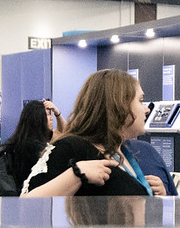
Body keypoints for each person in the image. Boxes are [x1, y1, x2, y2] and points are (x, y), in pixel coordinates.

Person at [22, 70, 166, 196]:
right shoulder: (71, 147)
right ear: (119, 105)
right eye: (140, 101)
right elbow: (26, 204)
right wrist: (76, 175)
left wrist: (155, 197)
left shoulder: (123, 150)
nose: (146, 109)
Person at [0, 100, 52, 196]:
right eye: (47, 115)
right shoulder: (44, 150)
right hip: (36, 202)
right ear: (38, 119)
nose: (51, 118)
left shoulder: (9, 148)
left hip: (17, 203)